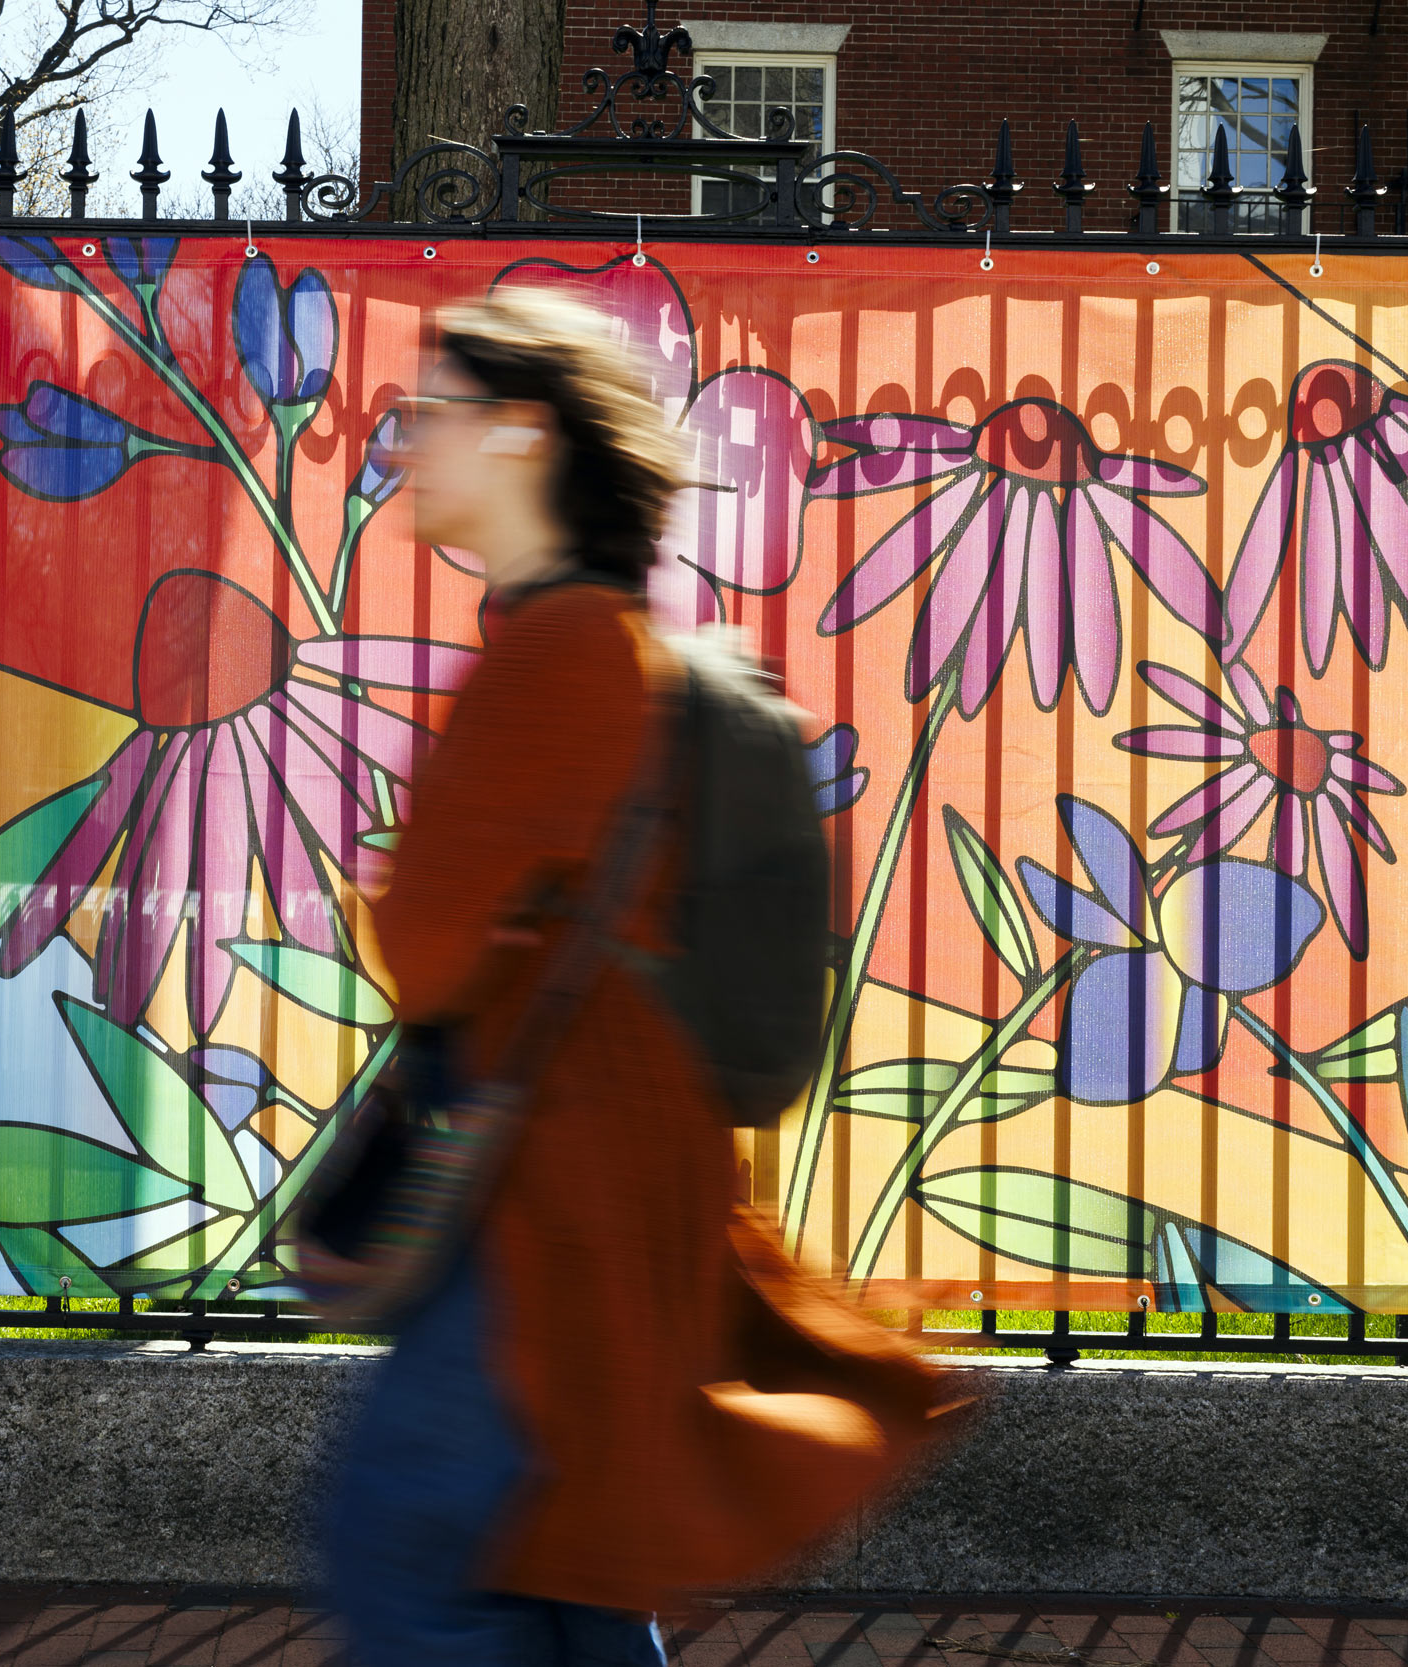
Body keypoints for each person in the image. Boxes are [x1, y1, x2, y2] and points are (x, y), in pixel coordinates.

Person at [308, 287, 964, 1666]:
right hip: (633, 1205)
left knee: (405, 1549)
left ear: (523, 437)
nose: (407, 444)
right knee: (574, 1581)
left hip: (536, 1228)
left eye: (432, 415)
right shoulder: (623, 649)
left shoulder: (551, 658)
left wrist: (422, 899)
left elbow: (423, 951)